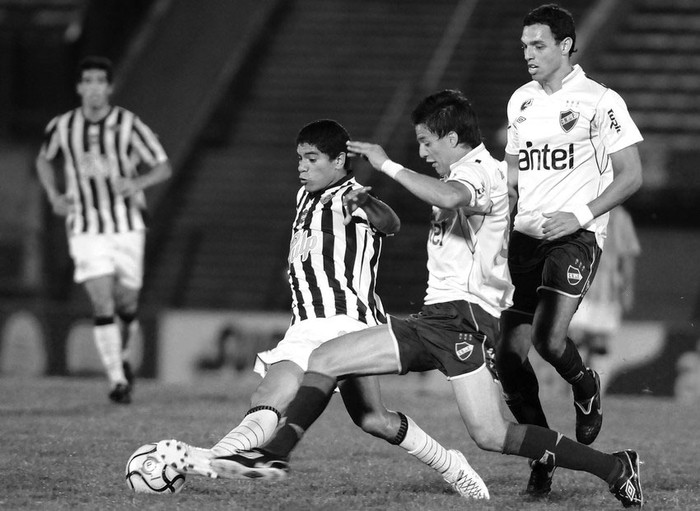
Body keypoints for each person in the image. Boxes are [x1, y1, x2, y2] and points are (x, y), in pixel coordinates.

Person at [205, 90, 644, 508]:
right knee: (491, 435)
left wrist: (387, 165)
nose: (423, 152)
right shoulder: (467, 172)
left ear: (453, 138)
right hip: (449, 320)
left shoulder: (476, 172)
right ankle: (614, 467)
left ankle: (275, 453)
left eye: (426, 141)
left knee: (327, 360)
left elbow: (450, 198)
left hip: (459, 320)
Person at [156, 119, 490, 500]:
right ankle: (217, 460)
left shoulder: (353, 196)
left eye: (312, 158)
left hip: (350, 323)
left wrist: (366, 201)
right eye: (299, 158)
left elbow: (391, 222)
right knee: (268, 394)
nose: (302, 166)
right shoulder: (303, 197)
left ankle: (451, 464)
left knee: (373, 419)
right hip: (306, 325)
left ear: (338, 161)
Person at [495, 3, 644, 495]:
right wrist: (494, 208)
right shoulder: (520, 101)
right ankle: (544, 454)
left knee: (547, 340)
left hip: (576, 237)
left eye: (538, 45)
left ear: (564, 45)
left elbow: (632, 176)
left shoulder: (601, 102)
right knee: (509, 359)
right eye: (523, 46)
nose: (528, 54)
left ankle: (585, 385)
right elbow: (516, 174)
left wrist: (580, 215)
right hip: (526, 239)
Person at [36, 56, 172, 404]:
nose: (94, 87)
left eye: (100, 81)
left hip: (126, 225)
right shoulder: (63, 126)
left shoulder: (128, 124)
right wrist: (54, 195)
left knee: (126, 304)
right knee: (101, 299)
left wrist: (136, 182)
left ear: (109, 87)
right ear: (80, 87)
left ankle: (123, 358)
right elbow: (44, 158)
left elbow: (162, 165)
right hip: (85, 226)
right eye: (88, 81)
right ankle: (116, 380)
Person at [569, 206, 640, 377]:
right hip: (580, 286)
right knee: (575, 337)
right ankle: (574, 383)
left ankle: (592, 383)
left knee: (599, 343)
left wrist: (628, 290)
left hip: (608, 291)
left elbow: (628, 256)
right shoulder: (581, 209)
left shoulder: (621, 217)